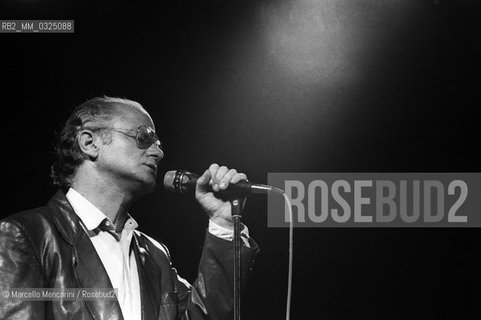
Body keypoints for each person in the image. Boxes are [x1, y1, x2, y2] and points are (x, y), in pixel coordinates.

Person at [0, 96, 258, 320]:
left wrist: (223, 224)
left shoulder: (155, 256)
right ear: (90, 143)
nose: (159, 152)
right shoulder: (26, 235)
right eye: (144, 136)